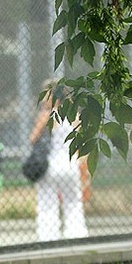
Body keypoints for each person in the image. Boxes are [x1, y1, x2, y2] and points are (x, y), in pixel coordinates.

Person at [29, 81, 88, 241]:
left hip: (51, 165)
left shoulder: (47, 115)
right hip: (70, 165)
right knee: (73, 202)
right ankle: (77, 234)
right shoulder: (74, 114)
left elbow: (32, 139)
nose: (42, 100)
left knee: (47, 202)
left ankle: (48, 237)